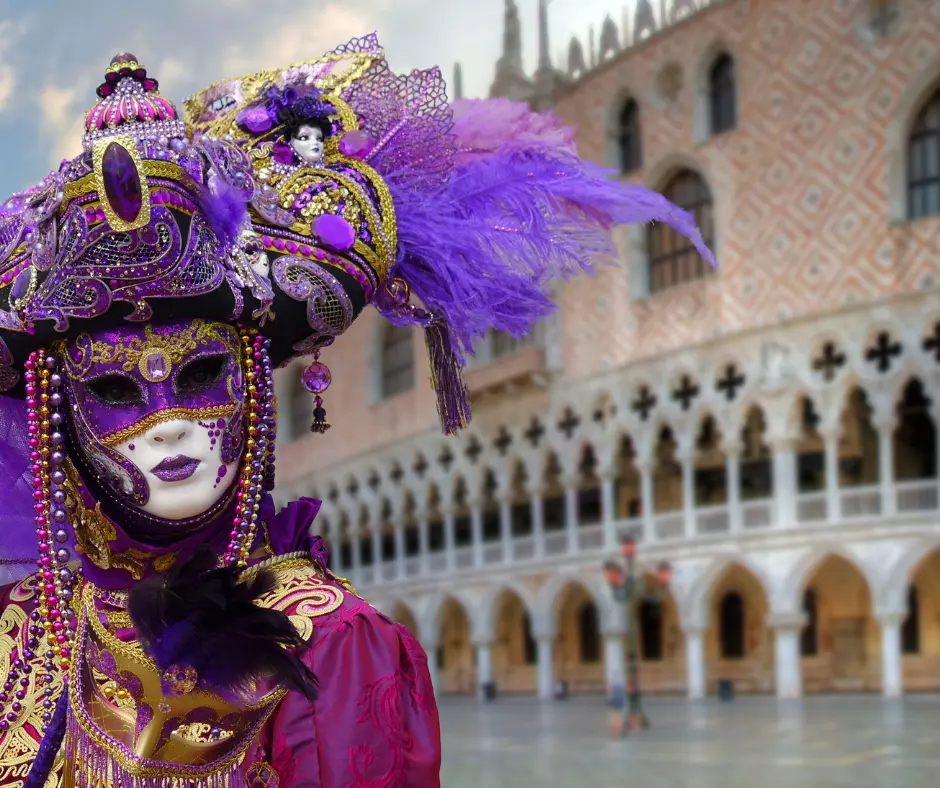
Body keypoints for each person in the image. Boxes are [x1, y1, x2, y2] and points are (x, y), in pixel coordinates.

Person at [0, 36, 714, 787]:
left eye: (202, 374)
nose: (169, 421)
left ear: (250, 381)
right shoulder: (21, 631)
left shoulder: (329, 645)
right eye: (114, 391)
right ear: (59, 413)